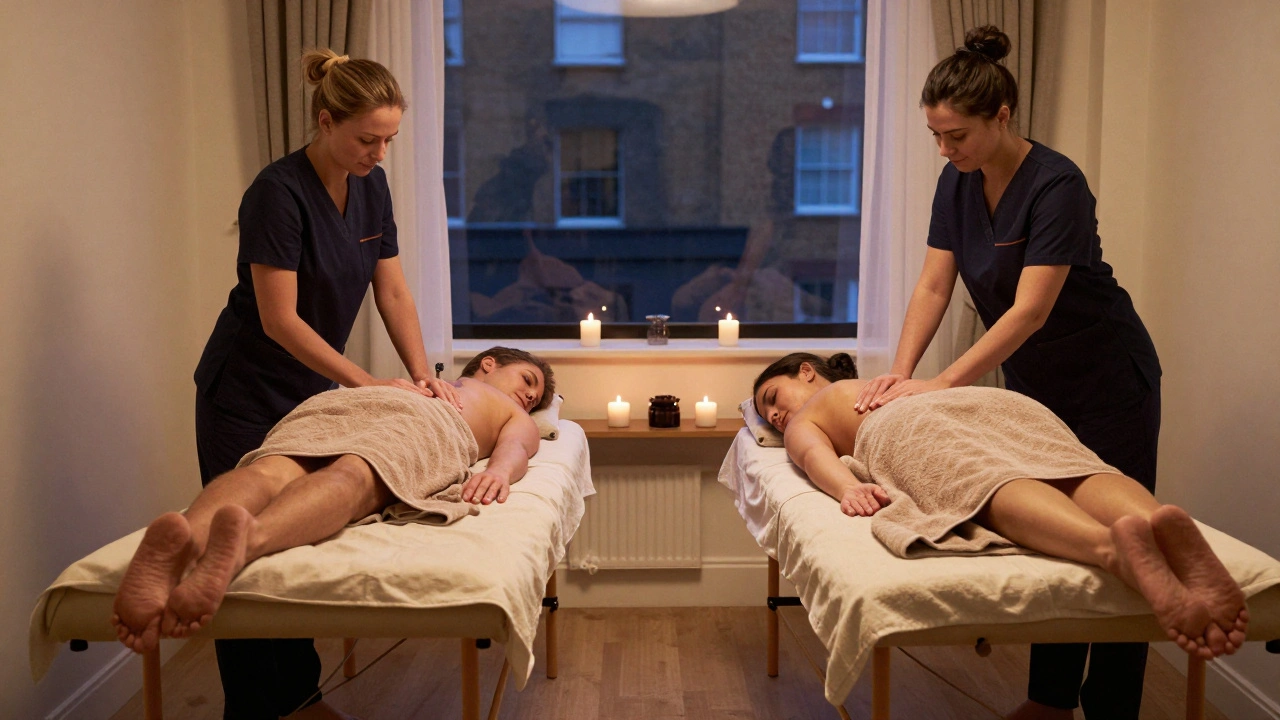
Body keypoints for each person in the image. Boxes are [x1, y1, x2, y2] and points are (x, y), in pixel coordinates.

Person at [853, 25, 1164, 720]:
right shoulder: (955, 182)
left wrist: (939, 387)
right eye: (935, 135)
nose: (944, 148)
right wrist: (899, 378)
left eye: (955, 135)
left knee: (1124, 538)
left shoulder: (1057, 185)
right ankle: (1051, 701)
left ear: (1001, 116)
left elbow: (1028, 312)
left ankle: (1113, 709)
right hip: (1036, 386)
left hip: (1109, 377)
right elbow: (934, 287)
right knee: (1052, 532)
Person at [190, 48, 450, 719]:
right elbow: (279, 320)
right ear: (325, 120)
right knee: (241, 544)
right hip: (244, 390)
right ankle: (254, 708)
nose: (379, 153)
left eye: (389, 139)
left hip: (306, 395)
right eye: (367, 139)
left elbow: (391, 291)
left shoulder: (372, 187)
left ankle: (298, 697)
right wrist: (366, 386)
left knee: (290, 539)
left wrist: (423, 375)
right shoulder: (276, 194)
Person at [752, 353, 1247, 662]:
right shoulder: (890, 383)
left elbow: (813, 456)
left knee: (983, 479)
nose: (775, 417)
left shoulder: (814, 413)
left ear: (806, 371)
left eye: (773, 398)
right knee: (1061, 462)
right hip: (992, 402)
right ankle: (1150, 524)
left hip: (906, 427)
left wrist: (846, 489)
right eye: (768, 419)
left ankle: (1108, 549)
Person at [113, 347, 555, 661]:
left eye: (538, 400)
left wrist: (498, 468)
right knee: (353, 476)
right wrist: (498, 470)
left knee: (269, 470)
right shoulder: (489, 403)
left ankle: (188, 534)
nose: (532, 398)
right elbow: (516, 447)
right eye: (528, 381)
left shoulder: (424, 383)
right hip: (422, 419)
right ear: (489, 364)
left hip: (348, 398)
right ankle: (248, 541)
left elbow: (516, 447)